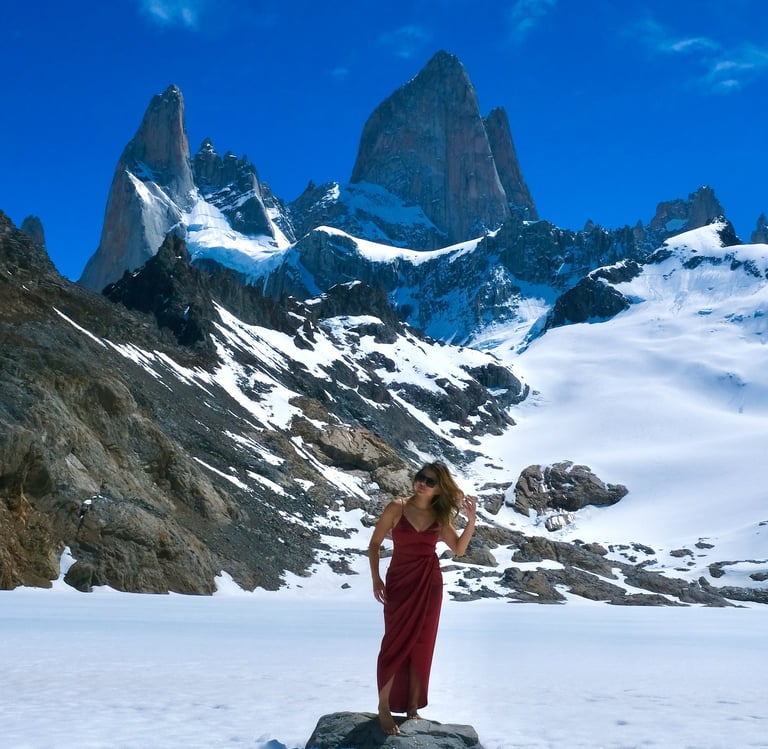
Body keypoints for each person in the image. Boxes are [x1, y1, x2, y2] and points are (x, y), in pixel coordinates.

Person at [368, 461, 477, 735]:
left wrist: (471, 520)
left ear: (439, 489)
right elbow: (375, 544)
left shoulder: (440, 517)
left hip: (429, 585)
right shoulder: (397, 507)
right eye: (421, 477)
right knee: (393, 644)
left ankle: (412, 708)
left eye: (430, 482)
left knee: (421, 645)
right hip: (399, 582)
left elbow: (459, 549)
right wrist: (376, 579)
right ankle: (383, 708)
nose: (422, 483)